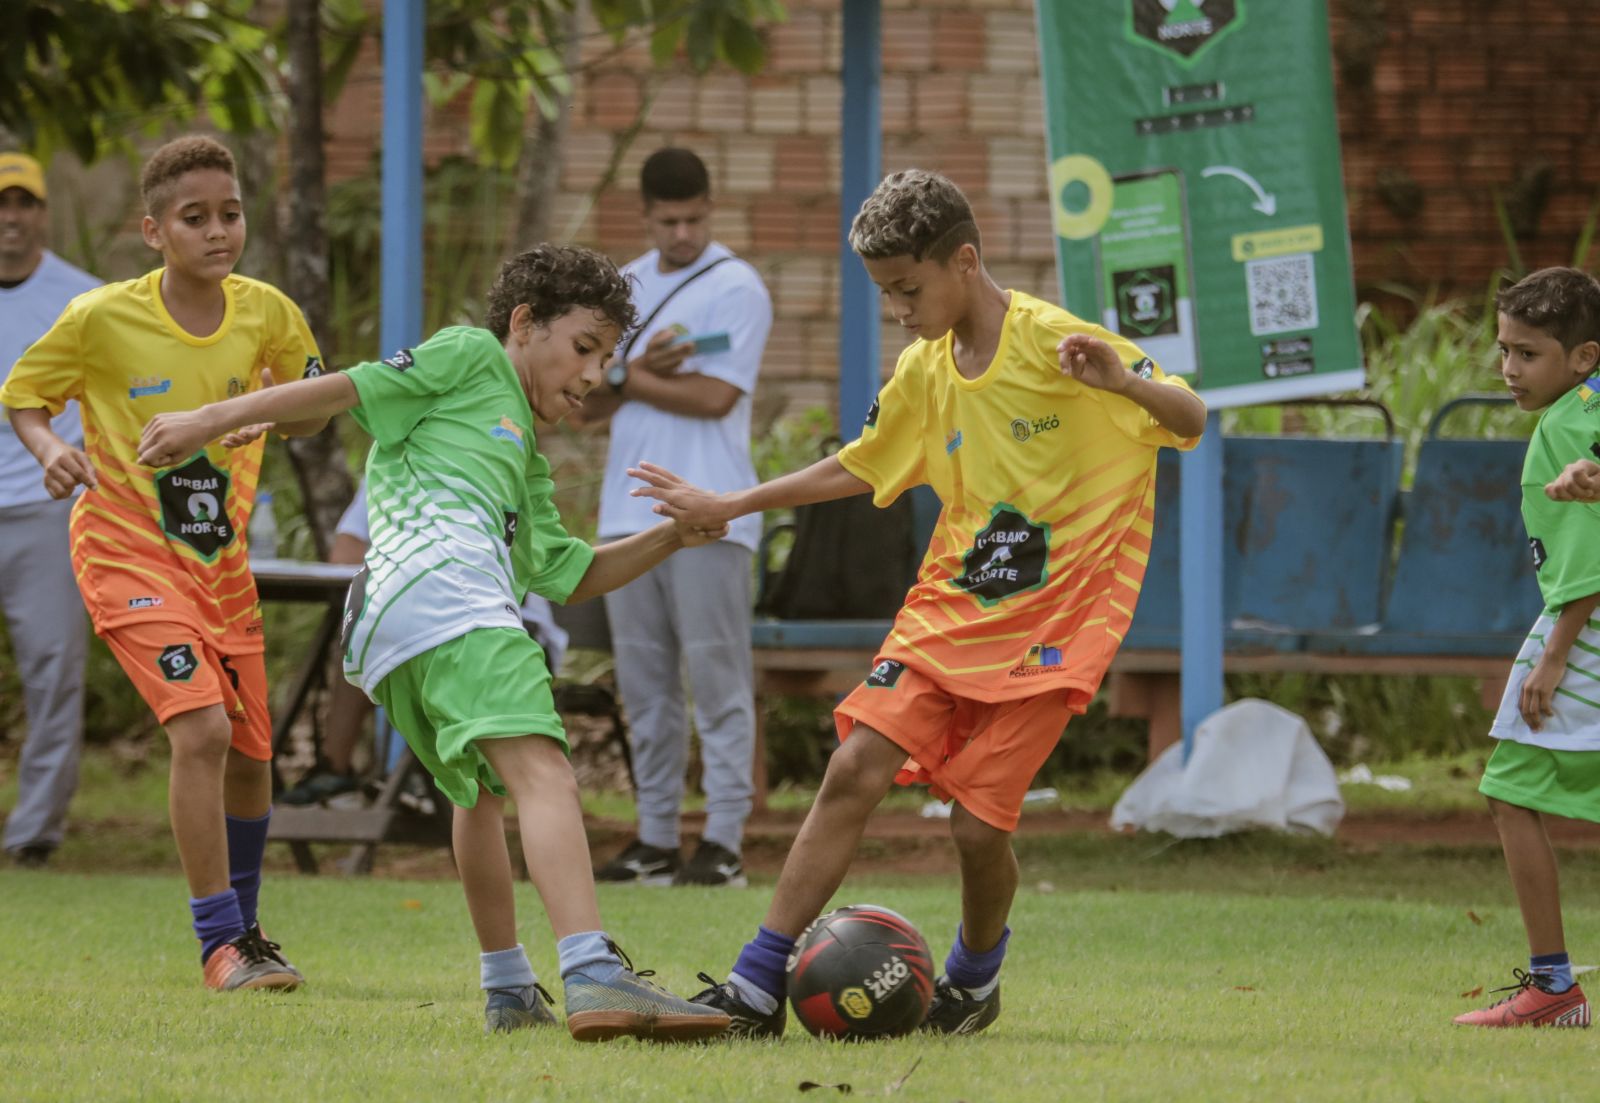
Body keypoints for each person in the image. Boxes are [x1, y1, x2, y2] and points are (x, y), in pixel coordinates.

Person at [630, 169, 1207, 1037]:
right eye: (885, 292)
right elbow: (859, 461)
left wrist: (1125, 386)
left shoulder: (1057, 341)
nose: (897, 308)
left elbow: (1190, 417)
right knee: (853, 767)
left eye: (907, 288)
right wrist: (727, 504)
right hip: (948, 609)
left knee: (976, 829)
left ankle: (974, 978)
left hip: (1059, 624)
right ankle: (754, 986)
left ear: (964, 262)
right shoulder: (923, 367)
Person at [137, 243, 732, 1041]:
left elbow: (568, 573)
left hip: (396, 630)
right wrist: (211, 418)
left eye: (606, 357)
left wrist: (672, 538)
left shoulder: (520, 451)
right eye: (584, 347)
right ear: (524, 325)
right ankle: (593, 972)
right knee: (545, 772)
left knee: (476, 792)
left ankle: (509, 984)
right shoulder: (469, 354)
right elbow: (349, 387)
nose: (594, 374)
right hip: (449, 599)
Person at [0, 136, 324, 990]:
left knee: (253, 753)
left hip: (219, 568)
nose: (219, 232)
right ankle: (219, 939)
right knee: (203, 728)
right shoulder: (100, 318)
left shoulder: (269, 313)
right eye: (196, 218)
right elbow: (25, 397)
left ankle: (246, 932)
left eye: (231, 213)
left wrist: (263, 414)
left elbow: (314, 409)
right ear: (153, 231)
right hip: (122, 551)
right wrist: (46, 449)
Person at [576, 147, 772, 888]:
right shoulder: (623, 287)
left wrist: (632, 375)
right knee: (645, 684)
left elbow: (717, 396)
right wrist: (633, 373)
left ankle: (722, 840)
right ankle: (655, 837)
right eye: (668, 221)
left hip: (712, 507)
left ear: (711, 207)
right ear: (646, 215)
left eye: (694, 218)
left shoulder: (736, 288)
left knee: (717, 678)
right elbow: (587, 403)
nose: (682, 232)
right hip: (628, 512)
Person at [1454, 266, 1600, 1029]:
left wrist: (1555, 653)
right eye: (1503, 350)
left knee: (1511, 787)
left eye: (1528, 352)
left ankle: (1553, 987)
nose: (1509, 369)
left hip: (1584, 629)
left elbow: (1589, 557)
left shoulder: (1570, 423)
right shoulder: (1588, 405)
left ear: (1583, 356)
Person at [280, 479, 570, 806]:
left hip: (505, 626)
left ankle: (419, 776)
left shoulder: (493, 462)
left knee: (435, 641)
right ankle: (341, 774)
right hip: (424, 618)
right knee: (364, 642)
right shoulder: (391, 464)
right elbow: (344, 555)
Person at [0, 152, 99, 868]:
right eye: (0, 204)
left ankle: (33, 833)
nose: (10, 219)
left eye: (23, 203)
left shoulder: (85, 300)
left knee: (54, 669)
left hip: (46, 509)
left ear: (42, 213)